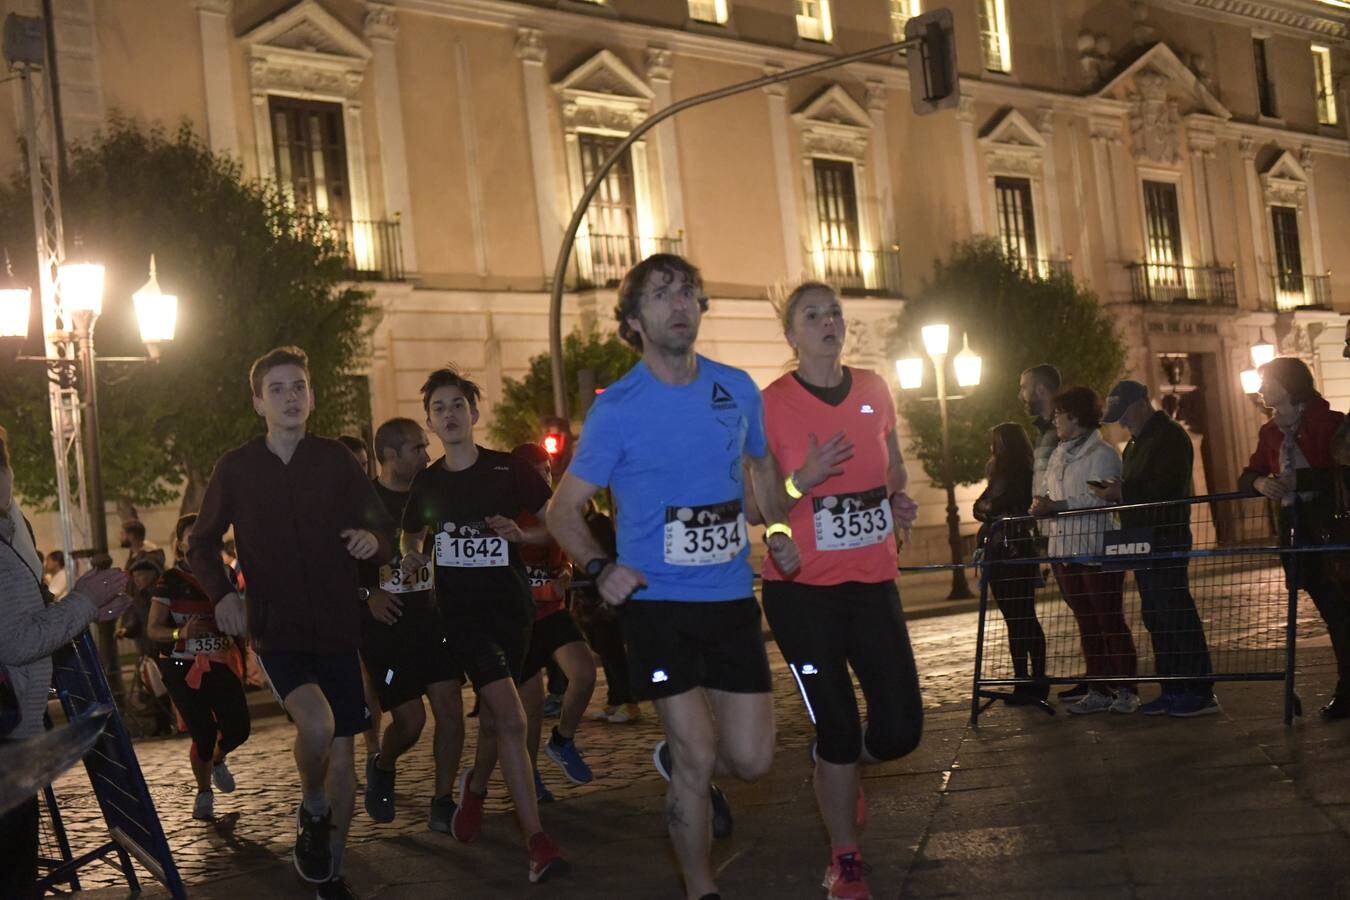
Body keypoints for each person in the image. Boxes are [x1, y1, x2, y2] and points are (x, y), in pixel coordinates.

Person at [547, 254, 801, 900]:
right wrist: (601, 567)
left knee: (752, 759)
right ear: (634, 321)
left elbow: (763, 468)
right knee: (695, 753)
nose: (679, 303)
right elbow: (561, 509)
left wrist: (776, 529)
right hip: (655, 604)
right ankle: (700, 887)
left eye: (688, 291)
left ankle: (688, 763)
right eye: (661, 295)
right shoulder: (619, 409)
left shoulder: (736, 388)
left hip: (730, 599)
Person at [189, 346, 396, 900]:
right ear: (258, 402)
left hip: (337, 625)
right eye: (277, 389)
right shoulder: (236, 467)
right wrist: (222, 597)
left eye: (299, 386)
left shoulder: (334, 461)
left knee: (348, 756)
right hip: (277, 628)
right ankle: (313, 803)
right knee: (320, 727)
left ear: (313, 395)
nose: (290, 397)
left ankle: (331, 870)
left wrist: (373, 541)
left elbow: (384, 529)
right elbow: (201, 544)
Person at [751, 282, 923, 900]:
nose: (829, 322)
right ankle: (844, 858)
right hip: (803, 592)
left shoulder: (875, 390)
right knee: (841, 727)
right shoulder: (770, 405)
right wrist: (800, 486)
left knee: (901, 729)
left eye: (834, 313)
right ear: (791, 334)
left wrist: (899, 498)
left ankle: (840, 773)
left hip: (873, 584)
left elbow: (893, 466)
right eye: (812, 315)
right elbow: (753, 501)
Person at [400, 367, 567, 883]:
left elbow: (554, 520)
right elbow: (410, 537)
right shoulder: (427, 482)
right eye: (439, 408)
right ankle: (537, 842)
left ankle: (473, 790)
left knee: (499, 720)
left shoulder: (507, 471)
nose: (449, 415)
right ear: (430, 423)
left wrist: (521, 532)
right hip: (461, 617)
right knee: (514, 719)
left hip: (512, 611)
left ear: (474, 413)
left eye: (457, 405)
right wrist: (414, 561)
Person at [0, 430, 133, 897]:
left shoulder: (13, 519)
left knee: (17, 858)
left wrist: (87, 609)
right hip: (7, 726)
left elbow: (30, 611)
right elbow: (14, 642)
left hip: (20, 720)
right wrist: (80, 603)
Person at [360, 417, 467, 833]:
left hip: (431, 619)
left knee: (450, 707)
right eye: (417, 449)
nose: (427, 455)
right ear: (389, 454)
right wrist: (368, 595)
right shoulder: (363, 502)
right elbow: (337, 568)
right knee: (411, 722)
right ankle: (383, 766)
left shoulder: (433, 493)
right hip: (387, 627)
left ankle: (442, 801)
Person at [1096, 380, 1217, 717]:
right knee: (1155, 615)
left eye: (1124, 415)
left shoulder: (1171, 437)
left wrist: (1123, 493)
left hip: (1165, 535)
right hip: (1141, 536)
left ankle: (1199, 689)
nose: (1122, 422)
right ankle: (1173, 686)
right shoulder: (1135, 444)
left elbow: (1165, 486)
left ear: (1141, 405)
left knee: (1175, 610)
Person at [1240, 357, 1350, 721]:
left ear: (1288, 384)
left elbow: (1341, 476)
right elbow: (1249, 473)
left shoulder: (1329, 422)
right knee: (1332, 612)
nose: (1261, 390)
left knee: (1342, 611)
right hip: (1297, 528)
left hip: (1332, 527)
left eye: (1267, 382)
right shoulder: (1269, 432)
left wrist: (1301, 482)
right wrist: (1260, 483)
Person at [1031, 387, 1137, 715]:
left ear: (1075, 416)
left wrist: (1057, 505)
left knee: (1109, 618)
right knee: (1086, 620)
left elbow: (1098, 497)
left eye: (1060, 414)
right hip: (1065, 549)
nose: (1054, 420)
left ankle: (1126, 688)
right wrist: (1040, 504)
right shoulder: (1060, 454)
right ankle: (1098, 687)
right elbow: (1048, 489)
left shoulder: (1103, 453)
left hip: (1097, 547)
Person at [147, 514, 251, 821]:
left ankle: (217, 760)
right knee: (203, 731)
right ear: (180, 545)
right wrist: (181, 633)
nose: (197, 543)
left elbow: (241, 617)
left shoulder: (227, 575)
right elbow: (153, 629)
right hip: (180, 665)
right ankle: (204, 792)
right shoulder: (169, 581)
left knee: (239, 729)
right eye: (190, 537)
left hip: (221, 660)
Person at [508, 442, 596, 803]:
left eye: (548, 470)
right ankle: (529, 780)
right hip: (521, 621)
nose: (545, 477)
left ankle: (562, 740)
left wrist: (563, 573)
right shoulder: (508, 514)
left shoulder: (555, 510)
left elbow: (564, 557)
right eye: (538, 471)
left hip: (553, 612)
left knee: (585, 674)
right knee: (530, 706)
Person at [974, 422, 1047, 705]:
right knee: (1012, 620)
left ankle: (1037, 680)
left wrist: (992, 508)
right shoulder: (998, 475)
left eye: (996, 442)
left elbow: (1002, 504)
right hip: (998, 553)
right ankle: (1021, 681)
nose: (992, 447)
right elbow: (979, 508)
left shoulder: (1021, 473)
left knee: (1024, 617)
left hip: (1016, 551)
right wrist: (992, 508)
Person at [339, 434, 384, 776]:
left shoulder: (374, 502)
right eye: (352, 465)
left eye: (364, 464)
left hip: (373, 603)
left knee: (371, 681)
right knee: (347, 683)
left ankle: (374, 750)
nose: (359, 471)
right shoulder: (325, 505)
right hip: (337, 608)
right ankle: (349, 757)